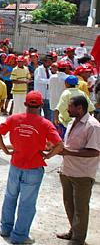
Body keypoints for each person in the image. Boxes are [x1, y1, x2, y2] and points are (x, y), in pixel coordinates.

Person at [0, 91, 64, 245]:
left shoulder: (14, 119)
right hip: (34, 167)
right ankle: (19, 236)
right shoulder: (45, 123)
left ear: (25, 104)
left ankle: (5, 229)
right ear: (40, 106)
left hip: (16, 164)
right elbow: (59, 145)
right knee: (27, 203)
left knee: (10, 197)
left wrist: (5, 150)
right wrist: (48, 155)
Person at [56, 95, 100, 245]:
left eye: (70, 107)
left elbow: (94, 152)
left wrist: (68, 152)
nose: (67, 110)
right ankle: (73, 231)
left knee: (81, 208)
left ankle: (78, 239)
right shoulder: (71, 123)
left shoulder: (93, 126)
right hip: (67, 171)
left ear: (80, 108)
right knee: (69, 204)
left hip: (82, 174)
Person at [33, 54, 53, 120]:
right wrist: (49, 81)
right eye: (49, 62)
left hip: (47, 96)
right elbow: (38, 80)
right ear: (44, 61)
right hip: (40, 95)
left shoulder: (49, 70)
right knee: (38, 115)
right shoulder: (39, 69)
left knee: (48, 115)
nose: (50, 63)